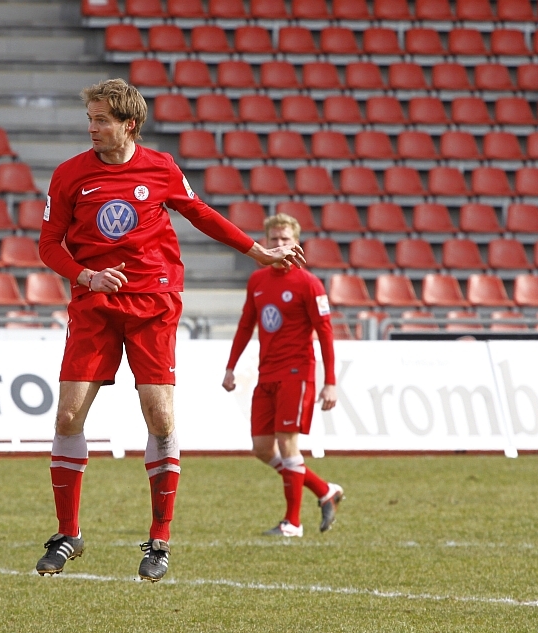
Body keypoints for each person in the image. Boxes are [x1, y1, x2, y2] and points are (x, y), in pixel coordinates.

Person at [35, 78, 306, 581]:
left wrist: (257, 251)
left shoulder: (160, 167)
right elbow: (48, 244)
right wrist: (86, 275)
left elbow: (200, 213)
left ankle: (159, 540)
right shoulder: (69, 174)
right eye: (90, 119)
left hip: (153, 302)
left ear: (129, 124)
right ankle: (68, 533)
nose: (92, 128)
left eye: (101, 120)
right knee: (68, 415)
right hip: (94, 302)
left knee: (160, 418)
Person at [221, 213, 343, 538]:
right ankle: (325, 490)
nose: (279, 244)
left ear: (296, 243)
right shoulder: (257, 281)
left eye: (285, 239)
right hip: (266, 374)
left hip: (296, 372)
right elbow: (246, 325)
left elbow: (325, 333)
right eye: (273, 239)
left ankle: (293, 523)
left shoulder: (309, 283)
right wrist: (231, 367)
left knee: (288, 444)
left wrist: (330, 382)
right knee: (262, 448)